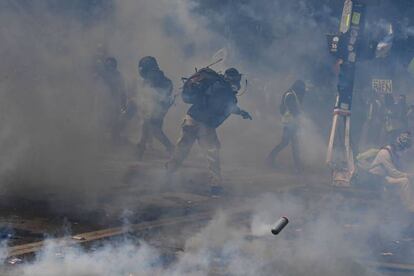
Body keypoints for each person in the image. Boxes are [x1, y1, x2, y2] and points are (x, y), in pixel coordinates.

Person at [166, 67, 252, 196]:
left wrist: (241, 112)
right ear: (232, 79)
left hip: (191, 119)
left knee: (182, 149)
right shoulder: (224, 90)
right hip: (205, 125)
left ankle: (168, 175)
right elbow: (226, 106)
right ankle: (216, 187)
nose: (238, 83)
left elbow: (226, 106)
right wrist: (240, 111)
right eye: (236, 80)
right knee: (212, 154)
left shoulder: (216, 84)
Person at [136, 56, 174, 159]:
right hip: (150, 107)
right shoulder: (150, 77)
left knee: (155, 131)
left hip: (157, 108)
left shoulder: (161, 79)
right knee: (146, 129)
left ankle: (170, 148)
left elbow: (163, 95)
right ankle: (140, 151)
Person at [266, 80, 306, 173]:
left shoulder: (293, 94)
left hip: (291, 123)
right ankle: (297, 167)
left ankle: (270, 159)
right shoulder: (290, 95)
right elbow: (293, 110)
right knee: (291, 144)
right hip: (290, 124)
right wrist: (301, 120)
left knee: (288, 143)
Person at [369, 131, 414, 212]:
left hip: (386, 177)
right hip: (378, 179)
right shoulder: (385, 153)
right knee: (405, 181)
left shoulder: (394, 154)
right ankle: (410, 207)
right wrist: (408, 175)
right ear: (399, 146)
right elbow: (393, 172)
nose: (404, 152)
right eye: (404, 149)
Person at [99, 57, 128, 144]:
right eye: (108, 65)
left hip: (115, 101)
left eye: (112, 65)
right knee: (103, 121)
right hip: (104, 102)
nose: (110, 67)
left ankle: (114, 139)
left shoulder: (118, 75)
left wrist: (123, 104)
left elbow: (123, 91)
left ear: (115, 66)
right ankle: (102, 141)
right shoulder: (102, 75)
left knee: (115, 121)